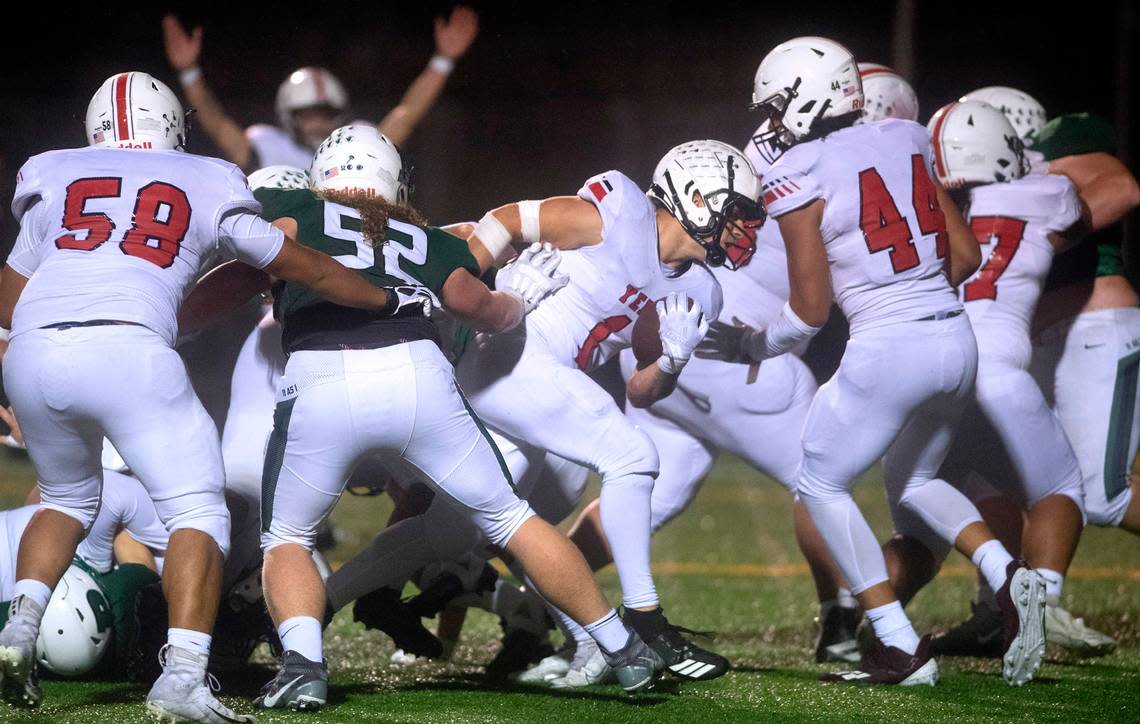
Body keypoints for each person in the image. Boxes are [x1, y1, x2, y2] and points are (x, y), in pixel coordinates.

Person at [0, 71, 404, 723]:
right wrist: (384, 299)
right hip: (129, 348)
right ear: (170, 126)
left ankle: (18, 633)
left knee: (68, 498)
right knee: (202, 514)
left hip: (35, 348)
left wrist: (14, 362)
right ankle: (183, 676)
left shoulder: (51, 170)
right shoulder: (208, 177)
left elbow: (11, 291)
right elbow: (293, 263)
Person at [252, 124, 661, 710]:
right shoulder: (422, 239)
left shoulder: (288, 207)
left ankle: (303, 666)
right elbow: (482, 309)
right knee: (510, 518)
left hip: (323, 371)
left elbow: (246, 249)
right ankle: (623, 647)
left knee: (288, 537)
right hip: (420, 378)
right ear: (392, 181)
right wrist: (518, 300)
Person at [743, 36, 1044, 686]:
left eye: (775, 106)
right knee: (916, 480)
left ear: (802, 98)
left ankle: (898, 646)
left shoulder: (796, 172)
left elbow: (809, 311)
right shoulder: (907, 134)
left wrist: (753, 345)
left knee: (820, 483)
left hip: (888, 345)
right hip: (954, 339)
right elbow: (965, 259)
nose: (770, 121)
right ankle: (1008, 573)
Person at [871, 100, 1094, 654]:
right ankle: (1035, 605)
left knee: (917, 534)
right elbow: (1080, 220)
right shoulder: (1046, 192)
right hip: (996, 368)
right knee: (1058, 490)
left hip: (925, 371)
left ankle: (870, 623)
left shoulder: (911, 203)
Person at [935, 89, 1140, 656]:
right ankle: (999, 604)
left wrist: (1048, 229)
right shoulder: (1009, 192)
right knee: (991, 479)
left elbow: (1123, 187)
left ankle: (1041, 606)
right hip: (1032, 341)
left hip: (1093, 325)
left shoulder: (1054, 154)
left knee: (1101, 494)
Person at [161, 6, 479, 171]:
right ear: (288, 118)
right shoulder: (266, 146)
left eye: (325, 114)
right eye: (308, 115)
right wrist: (189, 72)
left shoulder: (356, 142)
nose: (318, 124)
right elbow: (216, 123)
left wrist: (443, 61)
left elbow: (406, 115)